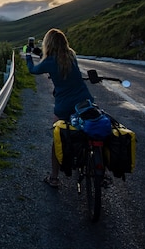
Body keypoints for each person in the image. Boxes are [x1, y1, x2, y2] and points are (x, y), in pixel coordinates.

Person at [25, 28, 93, 188]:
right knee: (86, 129)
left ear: (48, 43)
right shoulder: (71, 56)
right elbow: (57, 61)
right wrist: (39, 53)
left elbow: (33, 70)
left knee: (58, 137)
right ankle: (91, 160)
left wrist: (28, 54)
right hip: (84, 100)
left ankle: (54, 177)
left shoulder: (49, 62)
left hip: (64, 105)